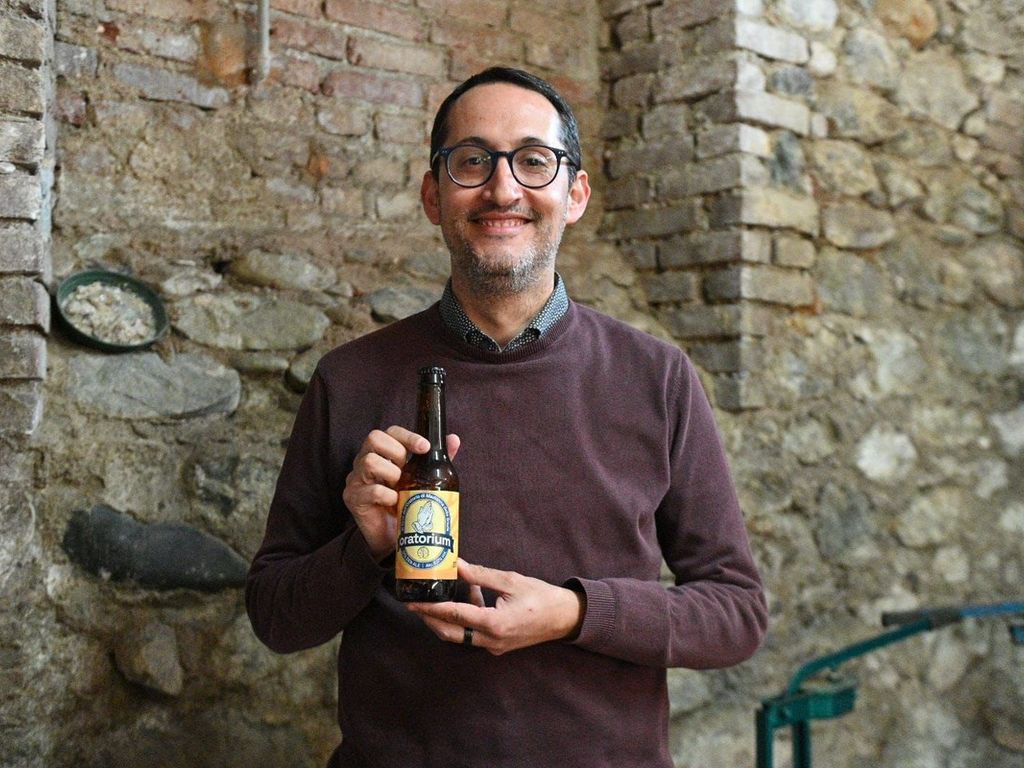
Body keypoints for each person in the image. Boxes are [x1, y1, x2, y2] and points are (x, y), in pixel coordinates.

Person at [246, 66, 767, 768]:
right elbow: (275, 618)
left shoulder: (658, 376)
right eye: (472, 161)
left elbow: (737, 614)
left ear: (574, 194)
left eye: (533, 160)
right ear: (432, 196)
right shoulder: (350, 379)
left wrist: (576, 613)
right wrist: (364, 547)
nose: (502, 189)